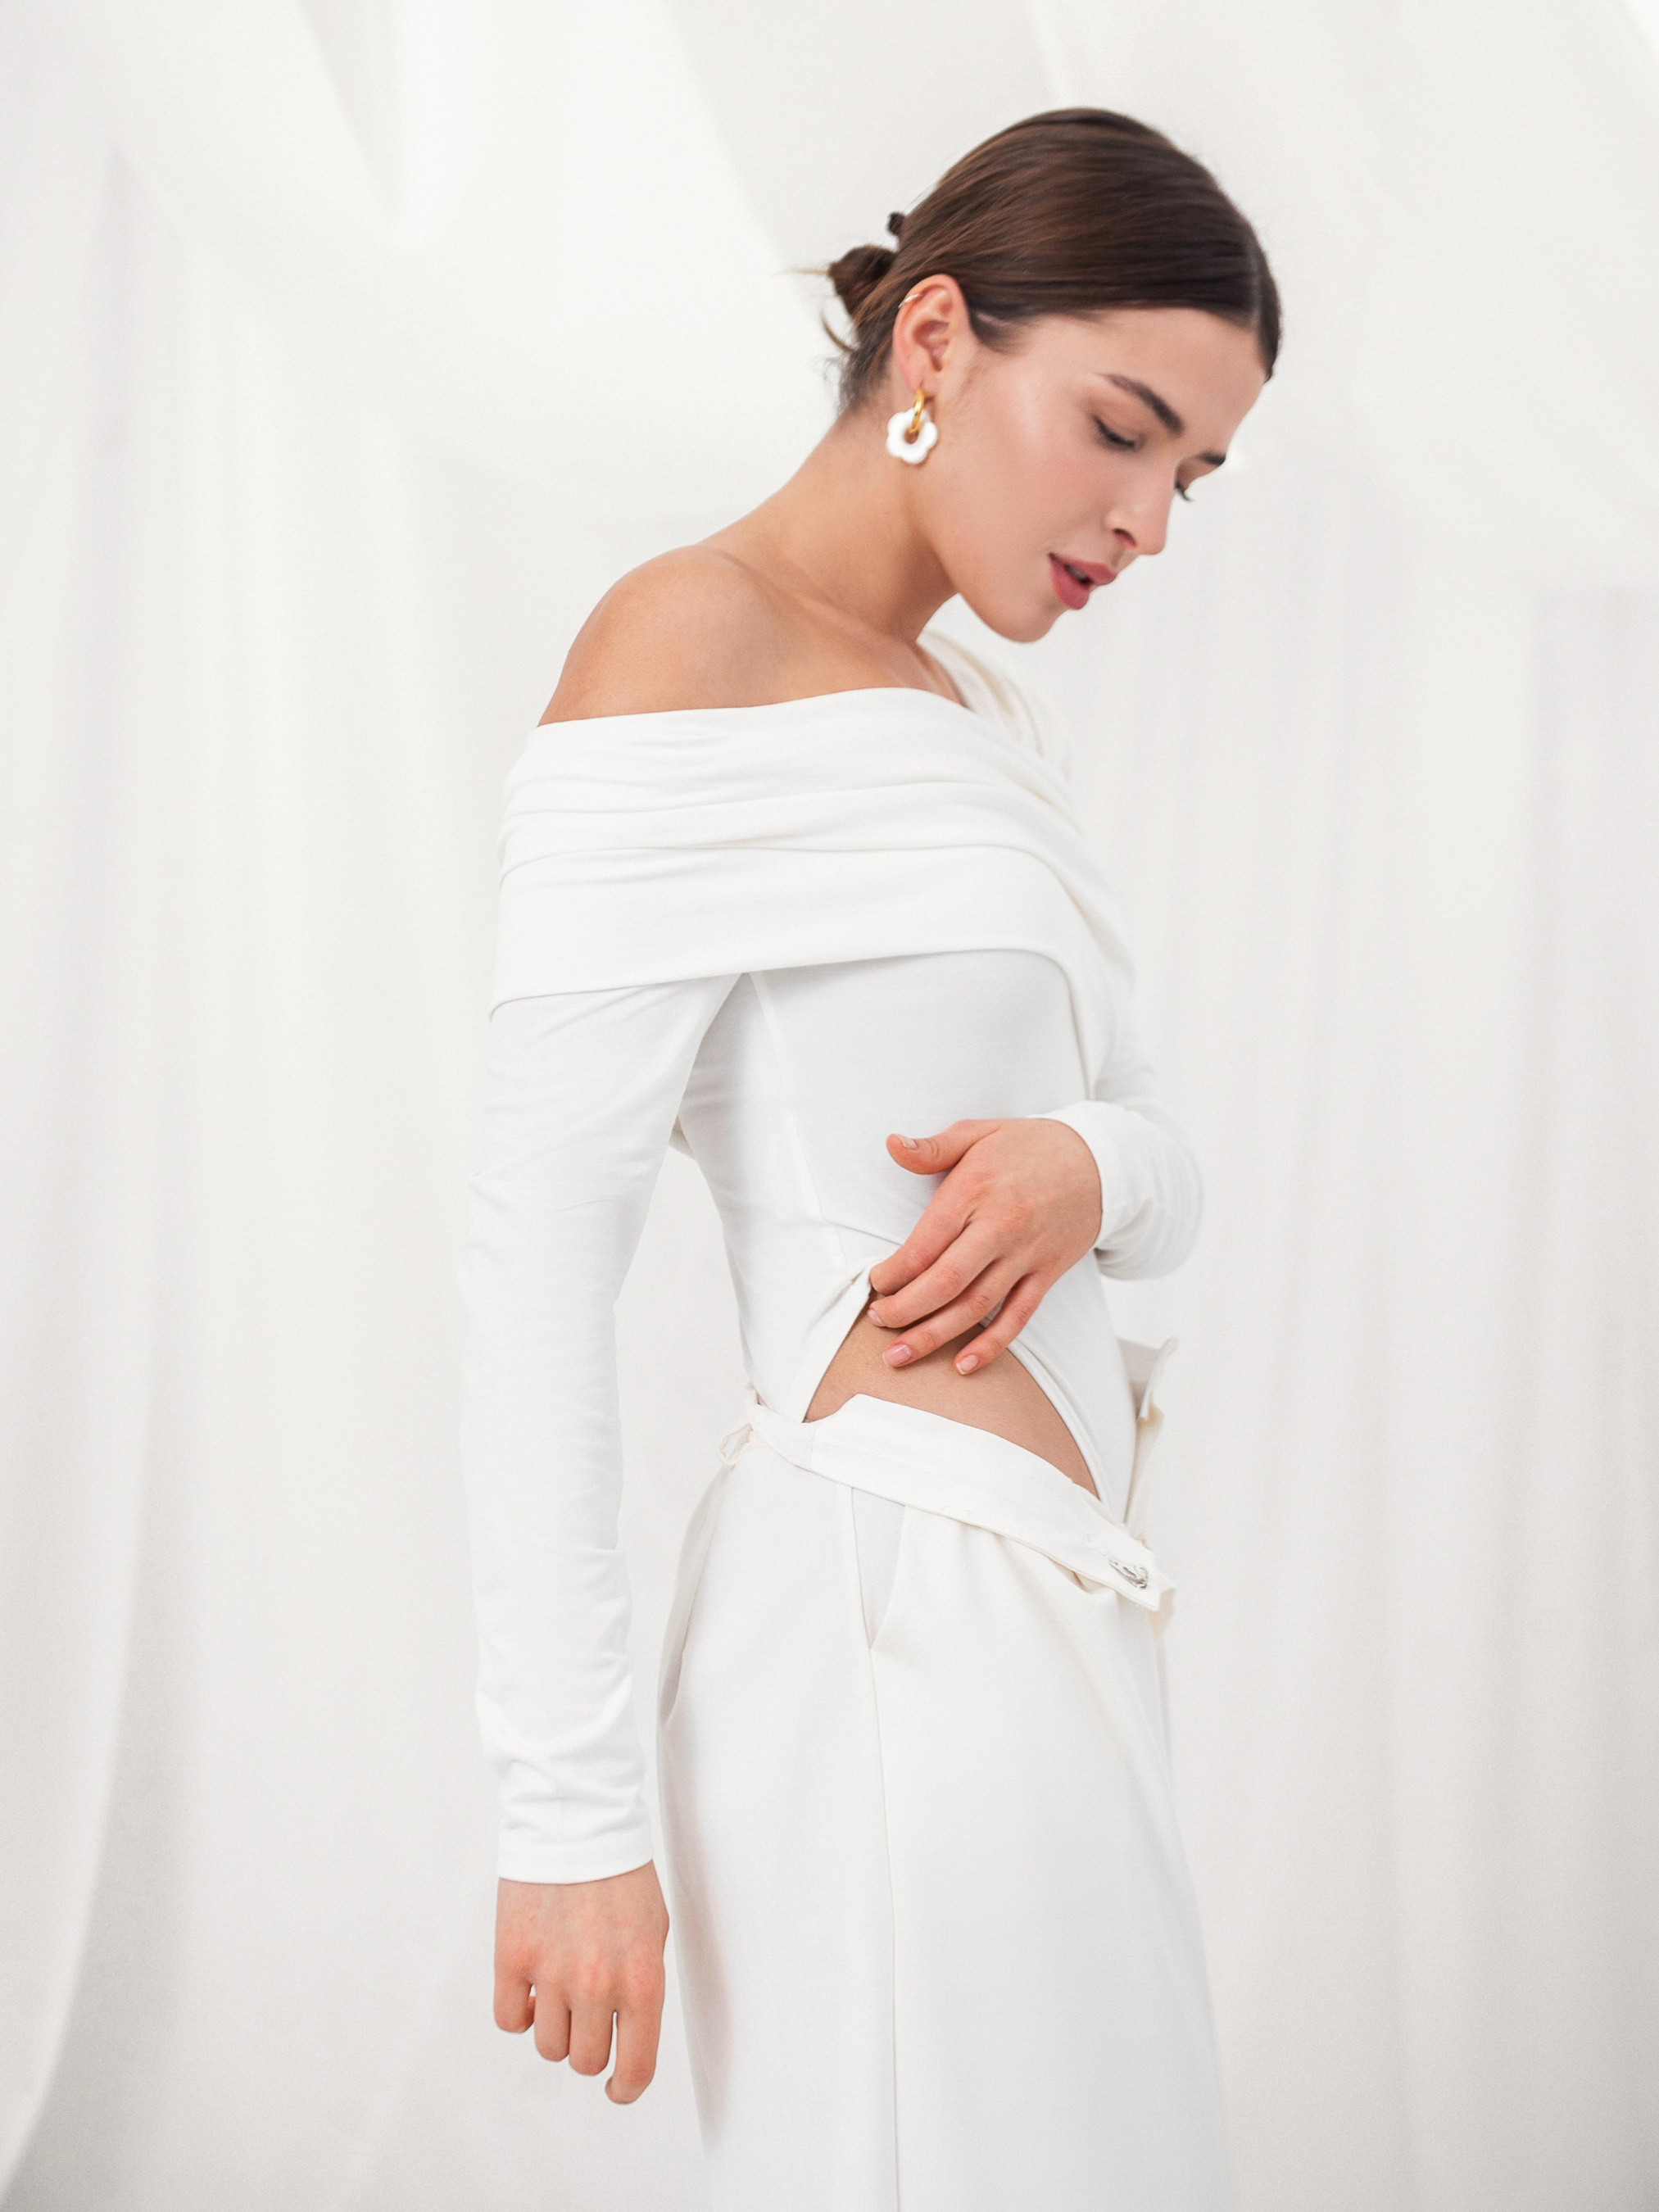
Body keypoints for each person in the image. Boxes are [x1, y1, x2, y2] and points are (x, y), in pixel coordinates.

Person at [459, 105, 1277, 2211]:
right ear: (933, 341)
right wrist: (567, 1817)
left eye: (1190, 474)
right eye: (1120, 431)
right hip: (876, 1629)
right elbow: (533, 1264)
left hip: (1056, 1622)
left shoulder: (984, 718)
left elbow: (1163, 1152)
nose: (1148, 522)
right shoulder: (680, 644)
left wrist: (1088, 1167)